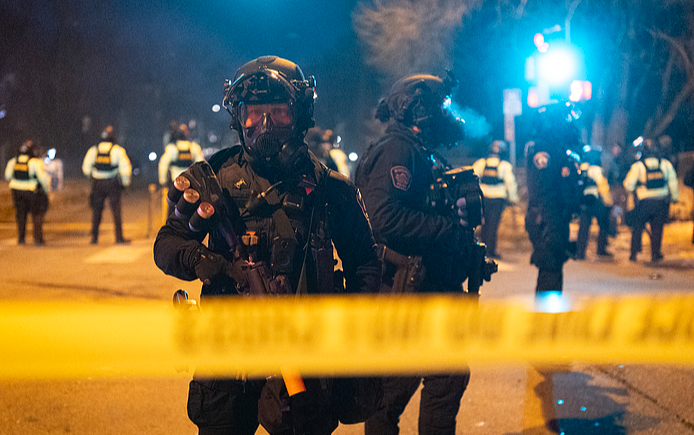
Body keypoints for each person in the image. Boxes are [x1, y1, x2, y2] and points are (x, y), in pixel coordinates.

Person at [153, 56, 382, 435]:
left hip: (303, 357)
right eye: (253, 112)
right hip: (228, 352)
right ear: (237, 116)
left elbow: (365, 265)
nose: (265, 124)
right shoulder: (212, 179)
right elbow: (167, 243)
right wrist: (205, 262)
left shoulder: (330, 188)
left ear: (301, 114)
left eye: (278, 112)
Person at [354, 73, 478, 435]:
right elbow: (383, 217)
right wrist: (447, 230)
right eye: (442, 106)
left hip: (423, 290)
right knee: (397, 390)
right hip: (407, 293)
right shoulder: (397, 150)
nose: (447, 115)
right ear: (418, 110)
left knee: (437, 377)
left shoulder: (416, 150)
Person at [524, 103, 583, 294]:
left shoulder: (554, 150)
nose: (570, 127)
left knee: (553, 271)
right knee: (550, 272)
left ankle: (547, 318)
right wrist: (551, 228)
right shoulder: (544, 151)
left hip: (553, 217)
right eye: (565, 122)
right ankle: (545, 321)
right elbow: (544, 193)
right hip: (548, 218)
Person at [623, 137, 678, 263]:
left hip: (644, 202)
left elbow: (628, 184)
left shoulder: (638, 166)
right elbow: (673, 182)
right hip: (661, 202)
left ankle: (634, 253)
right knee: (657, 229)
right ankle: (655, 254)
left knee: (637, 227)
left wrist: (635, 191)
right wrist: (674, 197)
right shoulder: (665, 164)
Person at [82, 125, 132, 244]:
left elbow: (85, 168)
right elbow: (125, 169)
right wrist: (125, 184)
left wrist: (93, 175)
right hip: (112, 183)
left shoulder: (93, 150)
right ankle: (119, 238)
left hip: (97, 183)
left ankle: (94, 238)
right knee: (116, 212)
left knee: (96, 212)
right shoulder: (117, 150)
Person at [472, 139, 518, 259]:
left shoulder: (481, 163)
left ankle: (482, 250)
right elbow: (511, 184)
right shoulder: (505, 165)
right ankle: (490, 251)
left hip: (484, 197)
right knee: (493, 225)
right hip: (498, 198)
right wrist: (513, 199)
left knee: (484, 224)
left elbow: (472, 178)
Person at [4, 140, 50, 245]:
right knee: (37, 215)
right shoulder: (34, 163)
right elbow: (43, 179)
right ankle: (38, 240)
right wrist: (47, 191)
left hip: (16, 192)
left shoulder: (13, 162)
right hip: (31, 192)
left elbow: (7, 176)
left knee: (20, 215)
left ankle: (21, 239)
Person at [575, 146, 613, 260]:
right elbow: (602, 186)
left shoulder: (581, 169)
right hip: (596, 202)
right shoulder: (596, 169)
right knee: (603, 224)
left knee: (583, 228)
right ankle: (601, 250)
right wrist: (608, 201)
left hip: (583, 201)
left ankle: (580, 253)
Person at [158, 122, 205, 187]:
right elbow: (200, 165)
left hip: (175, 183)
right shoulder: (194, 148)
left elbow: (163, 165)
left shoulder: (172, 149)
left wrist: (163, 181)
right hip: (190, 183)